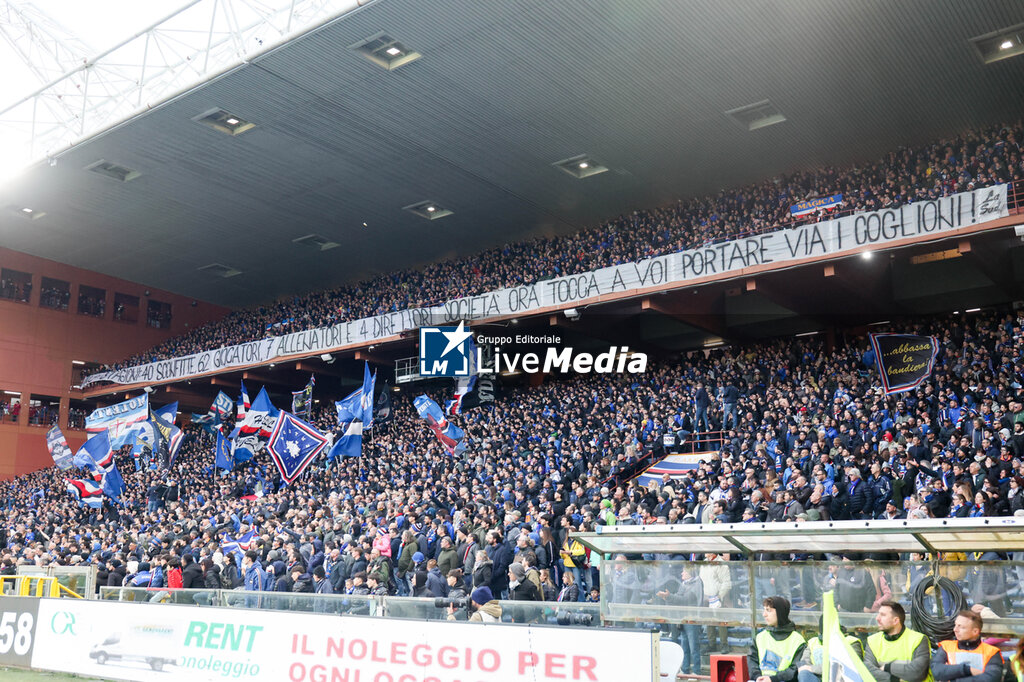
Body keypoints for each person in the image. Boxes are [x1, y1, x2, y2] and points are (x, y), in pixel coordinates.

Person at [863, 601, 932, 682]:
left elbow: (917, 673)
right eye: (878, 614)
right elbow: (868, 670)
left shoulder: (918, 639)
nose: (877, 618)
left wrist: (887, 667)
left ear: (896, 621)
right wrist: (894, 679)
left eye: (883, 615)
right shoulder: (872, 641)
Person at [930, 610, 1003, 682]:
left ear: (975, 631)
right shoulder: (946, 646)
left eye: (961, 627)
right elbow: (936, 671)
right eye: (955, 625)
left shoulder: (992, 652)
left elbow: (991, 678)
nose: (955, 629)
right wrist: (967, 670)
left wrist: (953, 679)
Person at [749, 596, 806, 682]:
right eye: (764, 610)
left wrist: (772, 679)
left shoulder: (797, 640)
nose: (764, 614)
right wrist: (757, 676)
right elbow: (752, 661)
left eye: (768, 610)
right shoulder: (760, 637)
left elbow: (795, 669)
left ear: (780, 613)